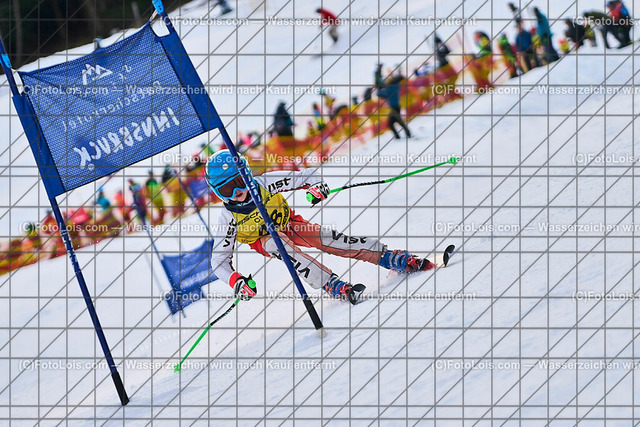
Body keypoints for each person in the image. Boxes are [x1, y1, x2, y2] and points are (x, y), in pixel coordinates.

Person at [206, 150, 438, 304]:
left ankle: (387, 257)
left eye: (240, 182)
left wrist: (316, 187)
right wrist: (236, 281)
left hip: (289, 223)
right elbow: (218, 261)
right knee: (281, 246)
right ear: (218, 193)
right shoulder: (228, 219)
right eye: (226, 190)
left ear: (248, 175)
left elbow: (307, 176)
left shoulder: (265, 183)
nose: (237, 193)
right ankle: (330, 283)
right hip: (265, 240)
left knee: (327, 239)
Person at [375, 66, 412, 139]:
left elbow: (379, 94)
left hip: (394, 108)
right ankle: (403, 134)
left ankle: (405, 134)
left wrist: (378, 87)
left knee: (395, 122)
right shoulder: (396, 86)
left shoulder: (389, 90)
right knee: (393, 122)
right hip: (397, 106)